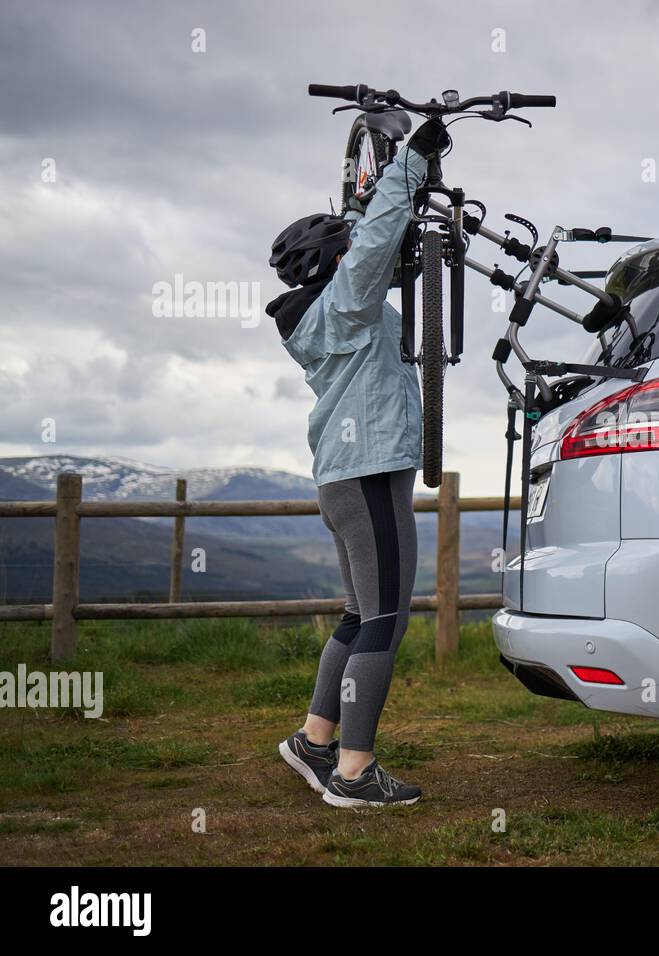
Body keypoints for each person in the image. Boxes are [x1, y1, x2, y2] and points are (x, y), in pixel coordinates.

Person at [266, 119, 447, 807]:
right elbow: (371, 243)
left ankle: (315, 739)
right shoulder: (347, 303)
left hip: (343, 478)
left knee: (356, 611)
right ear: (336, 265)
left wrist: (376, 176)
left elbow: (360, 233)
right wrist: (412, 161)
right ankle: (352, 772)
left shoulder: (324, 310)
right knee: (385, 619)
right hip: (369, 476)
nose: (360, 254)